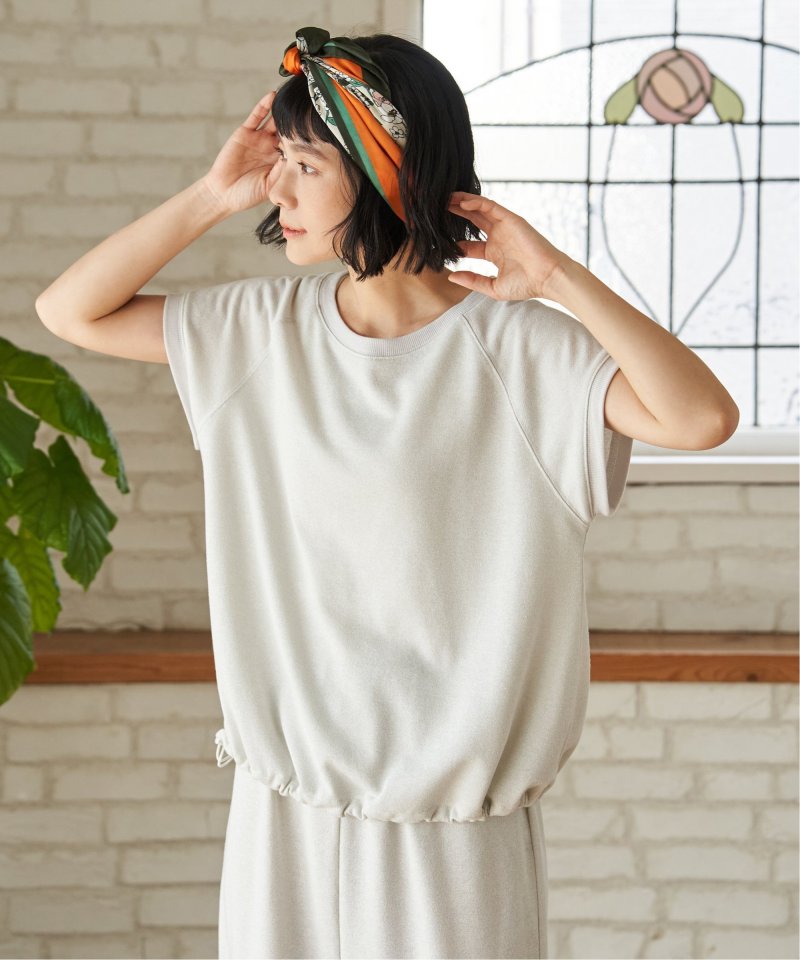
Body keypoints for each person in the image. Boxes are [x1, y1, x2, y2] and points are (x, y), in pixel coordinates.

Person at [35, 24, 739, 960]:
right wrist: (211, 194)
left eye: (306, 165)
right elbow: (68, 310)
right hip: (282, 818)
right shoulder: (253, 332)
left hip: (455, 843)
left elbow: (701, 418)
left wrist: (556, 278)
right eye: (280, 162)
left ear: (385, 171)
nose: (277, 189)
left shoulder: (527, 352)